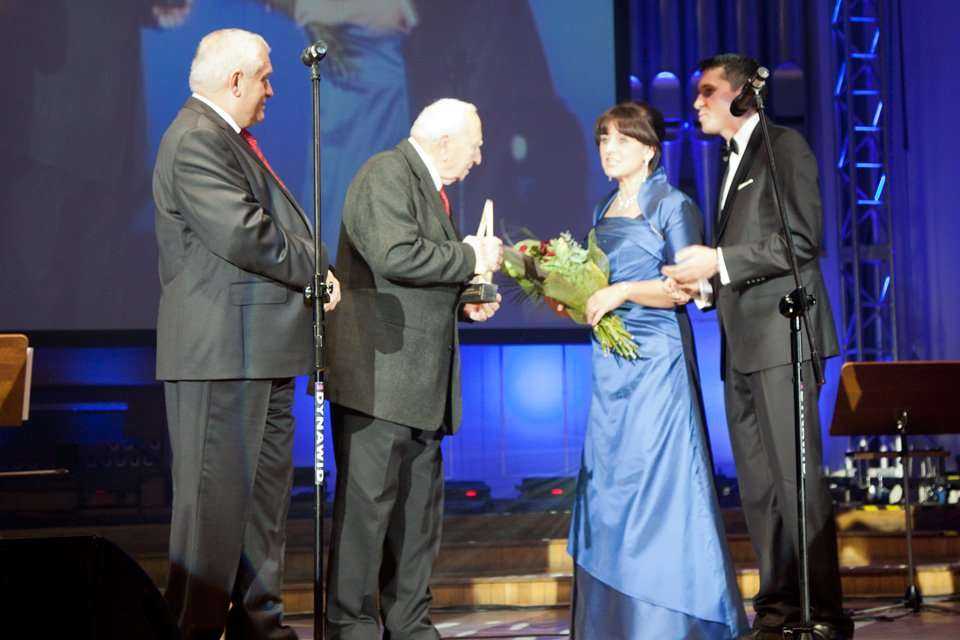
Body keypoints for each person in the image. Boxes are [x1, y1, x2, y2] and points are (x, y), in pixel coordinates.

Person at [153, 28, 340, 640]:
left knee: (262, 519)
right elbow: (243, 232)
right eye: (263, 77)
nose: (271, 88)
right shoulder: (196, 139)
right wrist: (317, 268)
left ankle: (265, 630)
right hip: (220, 356)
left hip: (259, 352)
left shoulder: (225, 139)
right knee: (211, 524)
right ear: (234, 80)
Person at [662, 54, 853, 640]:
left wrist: (718, 260)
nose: (696, 103)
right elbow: (749, 254)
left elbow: (801, 238)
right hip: (742, 343)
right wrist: (706, 284)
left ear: (743, 95)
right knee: (760, 488)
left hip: (782, 338)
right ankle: (777, 614)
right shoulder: (730, 160)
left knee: (796, 481)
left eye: (707, 91)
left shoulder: (782, 147)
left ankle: (822, 613)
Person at [566, 101, 749, 639]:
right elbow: (595, 282)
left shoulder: (673, 204)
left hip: (656, 360)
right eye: (602, 140)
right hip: (610, 363)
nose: (608, 149)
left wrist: (621, 290)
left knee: (660, 484)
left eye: (621, 140)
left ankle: (674, 621)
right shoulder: (603, 208)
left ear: (649, 149)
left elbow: (688, 287)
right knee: (611, 487)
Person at [324, 98, 503, 639]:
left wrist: (464, 300)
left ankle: (410, 628)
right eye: (475, 145)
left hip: (419, 386)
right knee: (366, 520)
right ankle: (351, 630)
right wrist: (471, 258)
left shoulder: (429, 189)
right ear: (444, 141)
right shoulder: (385, 172)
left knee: (414, 523)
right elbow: (395, 254)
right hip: (379, 383)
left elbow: (418, 279)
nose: (478, 157)